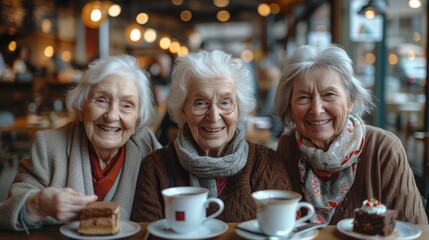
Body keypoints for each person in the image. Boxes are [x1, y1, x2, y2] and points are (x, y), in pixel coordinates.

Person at [0, 54, 162, 231]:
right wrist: (38, 205)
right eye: (101, 100)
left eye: (127, 105)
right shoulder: (49, 145)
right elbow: (5, 215)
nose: (112, 116)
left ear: (138, 117)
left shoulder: (148, 148)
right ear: (82, 106)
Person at [274, 44, 428, 225]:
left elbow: (417, 231)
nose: (316, 110)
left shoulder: (384, 149)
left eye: (329, 94)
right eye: (303, 98)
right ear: (290, 107)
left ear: (350, 101)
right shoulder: (288, 147)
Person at [131, 50, 291, 223]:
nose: (214, 116)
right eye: (200, 103)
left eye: (225, 102)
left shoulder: (267, 163)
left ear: (239, 109)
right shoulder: (155, 169)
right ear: (184, 110)